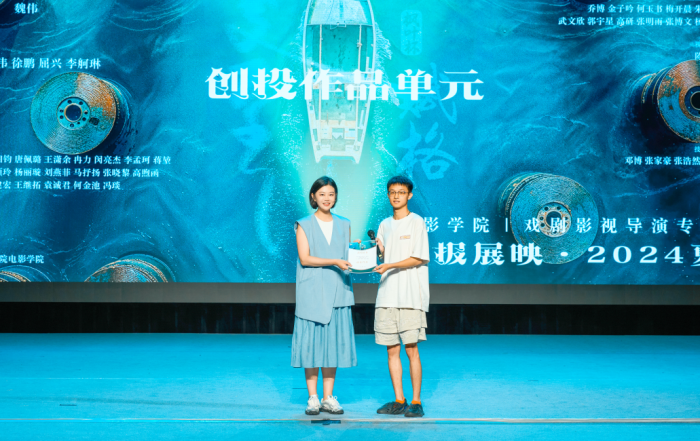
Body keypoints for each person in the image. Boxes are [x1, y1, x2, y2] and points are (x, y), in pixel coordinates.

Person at [292, 176, 357, 416]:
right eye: (322, 194)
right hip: (312, 292)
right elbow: (305, 258)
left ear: (336, 196)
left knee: (332, 346)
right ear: (313, 197)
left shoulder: (344, 223)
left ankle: (328, 397)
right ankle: (313, 397)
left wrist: (366, 249)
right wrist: (335, 261)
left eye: (331, 194)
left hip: (338, 290)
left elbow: (348, 254)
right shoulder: (303, 224)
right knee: (311, 346)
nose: (327, 198)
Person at [372, 176, 430, 418]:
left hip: (410, 297)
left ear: (409, 195)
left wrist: (389, 264)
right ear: (388, 195)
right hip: (387, 296)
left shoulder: (417, 222)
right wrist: (374, 250)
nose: (396, 196)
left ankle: (416, 401)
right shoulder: (384, 224)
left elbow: (419, 257)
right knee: (391, 350)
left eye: (401, 192)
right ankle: (399, 400)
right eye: (392, 192)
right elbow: (382, 256)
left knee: (411, 349)